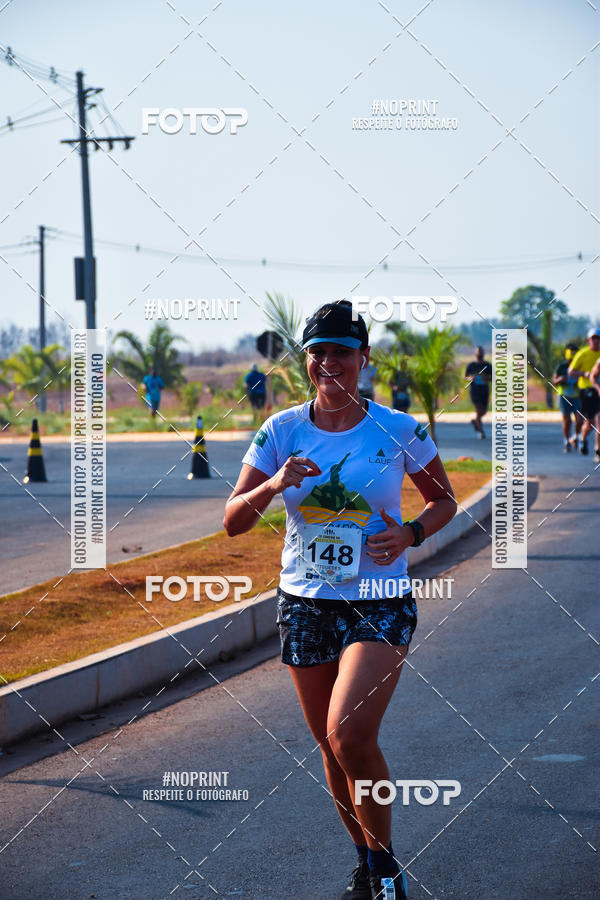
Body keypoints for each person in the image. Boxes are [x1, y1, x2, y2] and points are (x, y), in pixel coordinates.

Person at [224, 301, 457, 900]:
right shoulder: (280, 430)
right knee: (329, 747)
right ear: (306, 359)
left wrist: (411, 534)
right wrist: (274, 484)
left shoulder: (398, 428)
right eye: (318, 352)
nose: (329, 363)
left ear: (364, 358)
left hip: (379, 597)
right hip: (304, 602)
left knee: (348, 733)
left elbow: (444, 501)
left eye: (342, 353)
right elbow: (232, 521)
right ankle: (365, 862)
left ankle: (385, 868)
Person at [568, 328, 600, 462]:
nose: (596, 341)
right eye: (593, 338)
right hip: (587, 390)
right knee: (590, 422)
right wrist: (584, 374)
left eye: (598, 338)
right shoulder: (582, 354)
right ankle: (582, 437)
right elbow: (571, 372)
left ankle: (598, 451)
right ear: (588, 340)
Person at [552, 343, 582, 452]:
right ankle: (567, 441)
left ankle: (575, 437)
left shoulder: (580, 366)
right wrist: (560, 379)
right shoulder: (562, 366)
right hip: (564, 396)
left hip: (577, 396)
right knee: (567, 421)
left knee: (579, 420)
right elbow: (554, 381)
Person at [465, 346, 492, 439]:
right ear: (475, 354)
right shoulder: (471, 365)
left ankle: (476, 421)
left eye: (481, 352)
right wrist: (470, 378)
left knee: (484, 412)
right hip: (475, 391)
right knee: (479, 411)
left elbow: (493, 377)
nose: (479, 354)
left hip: (484, 391)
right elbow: (465, 376)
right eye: (478, 352)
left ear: (483, 354)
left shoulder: (487, 365)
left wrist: (487, 378)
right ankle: (481, 432)